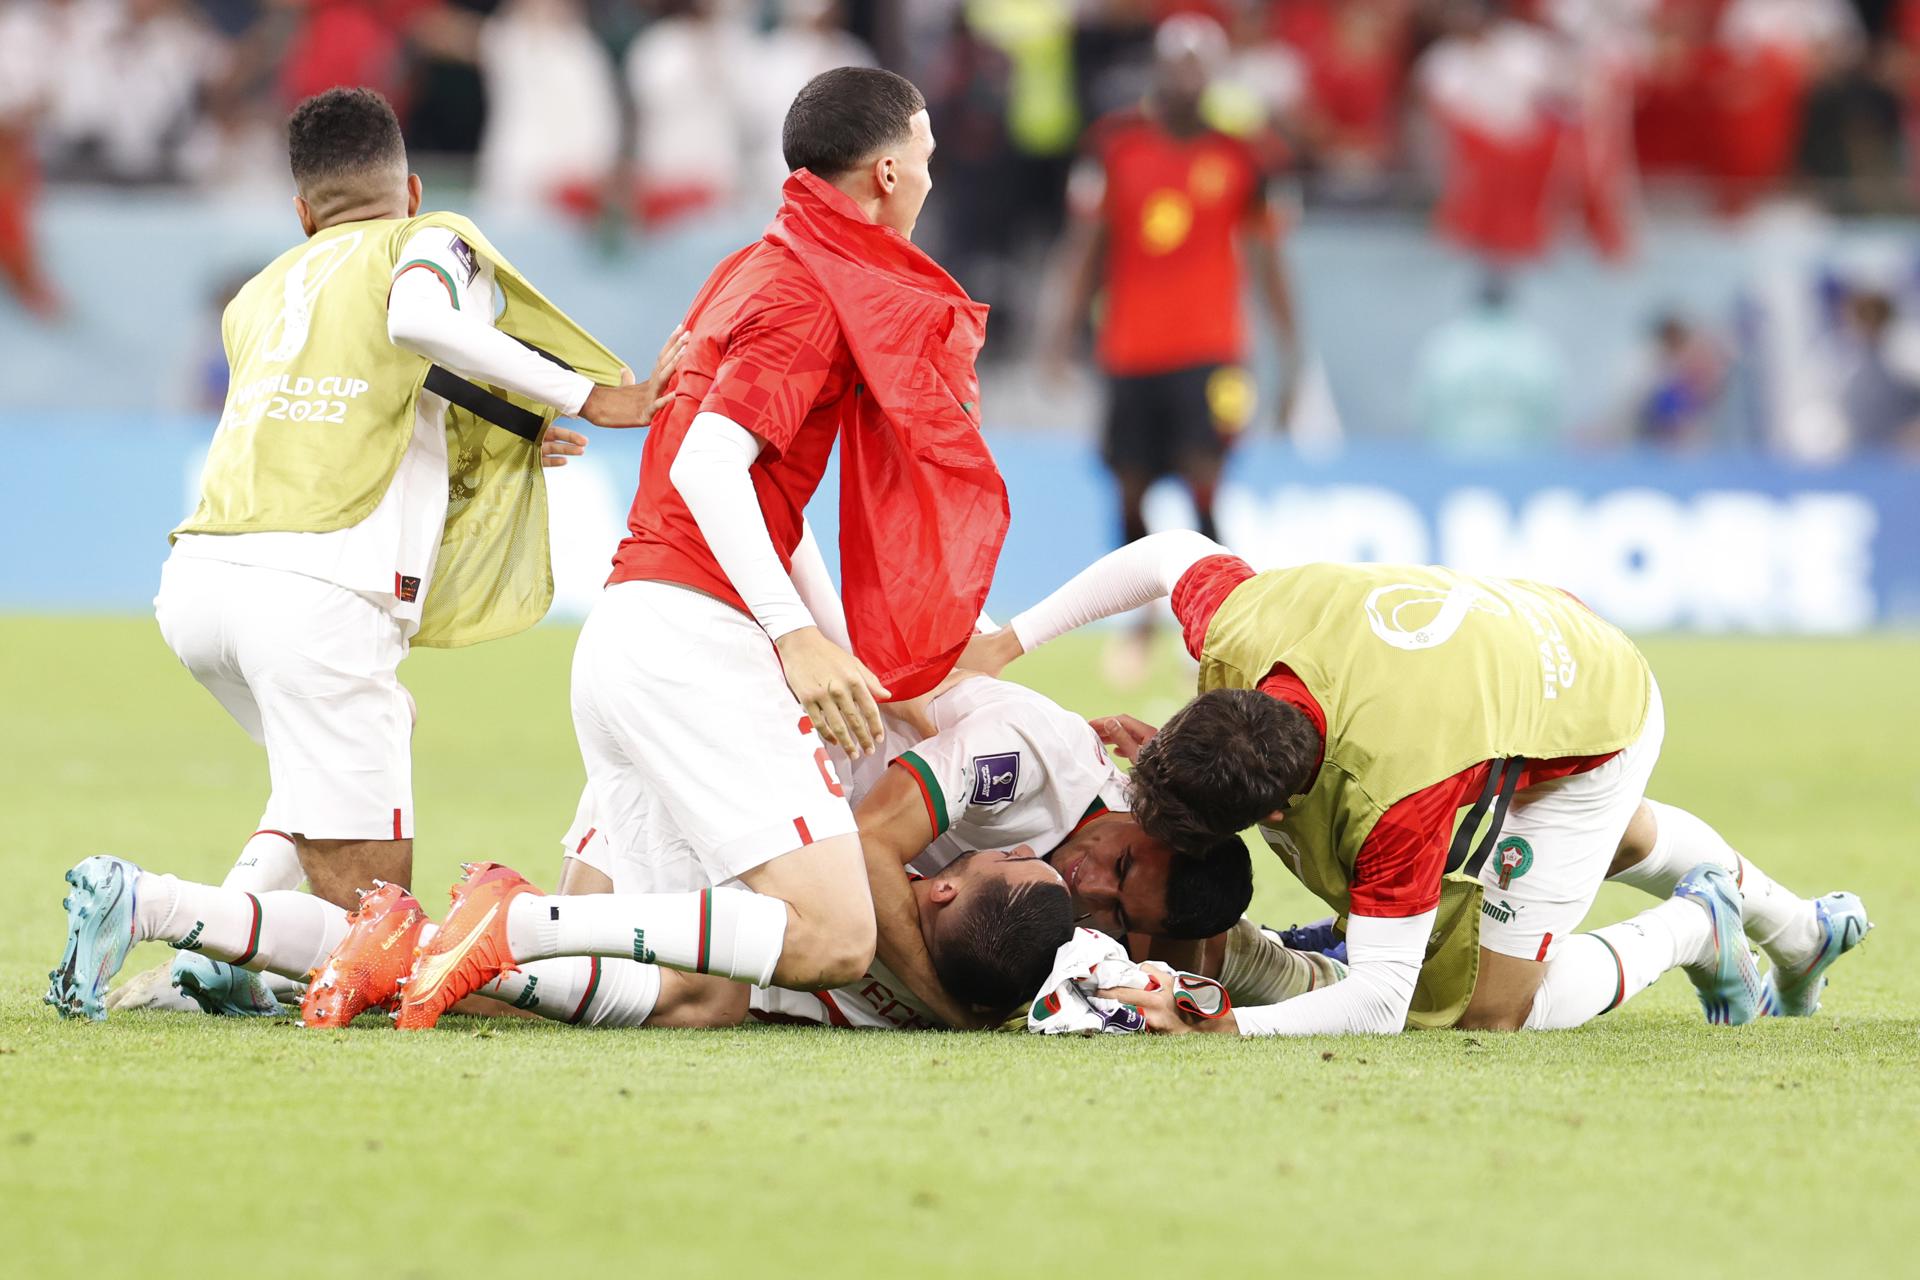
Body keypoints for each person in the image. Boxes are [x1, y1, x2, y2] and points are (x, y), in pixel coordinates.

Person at [389, 67, 1008, 1030]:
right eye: (926, 154)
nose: (931, 176)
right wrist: (796, 637)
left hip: (637, 632)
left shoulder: (754, 265)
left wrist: (847, 648)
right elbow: (711, 468)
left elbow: (769, 502)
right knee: (832, 935)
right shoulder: (806, 291)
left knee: (698, 997)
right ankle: (515, 924)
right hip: (695, 641)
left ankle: (383, 958)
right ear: (888, 169)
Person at [46, 87, 672, 1022]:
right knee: (380, 935)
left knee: (355, 745)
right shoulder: (427, 239)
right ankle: (149, 903)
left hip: (200, 583)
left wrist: (507, 424)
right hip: (315, 591)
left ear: (302, 212)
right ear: (412, 188)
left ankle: (212, 969)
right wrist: (592, 396)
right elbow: (419, 324)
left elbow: (370, 390)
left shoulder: (263, 290)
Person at [962, 531, 1872, 1037]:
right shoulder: (1243, 625)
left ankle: (1693, 926)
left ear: (1276, 811)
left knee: (1486, 1009)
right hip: (1514, 635)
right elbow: (1165, 553)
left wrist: (1234, 1029)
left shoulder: (1401, 798)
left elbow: (1383, 998)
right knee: (1609, 841)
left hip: (1595, 703)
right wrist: (1012, 641)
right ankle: (1801, 932)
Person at [1045, 14, 1302, 680]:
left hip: (1213, 349)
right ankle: (1139, 622)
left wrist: (1291, 358)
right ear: (1159, 69)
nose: (1186, 76)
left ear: (1212, 75)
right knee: (1128, 492)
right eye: (1176, 63)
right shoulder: (1115, 146)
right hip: (1131, 348)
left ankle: (1225, 625)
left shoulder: (1246, 153)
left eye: (1198, 65)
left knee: (1204, 479)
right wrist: (1059, 332)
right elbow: (1086, 248)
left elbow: (1271, 260)